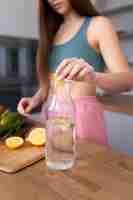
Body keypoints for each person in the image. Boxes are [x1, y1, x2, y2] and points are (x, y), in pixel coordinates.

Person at [17, 0, 133, 145]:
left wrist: (93, 76)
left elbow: (128, 81)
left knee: (85, 166)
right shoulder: (53, 32)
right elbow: (56, 79)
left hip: (81, 117)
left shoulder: (99, 25)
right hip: (51, 113)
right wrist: (36, 99)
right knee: (52, 164)